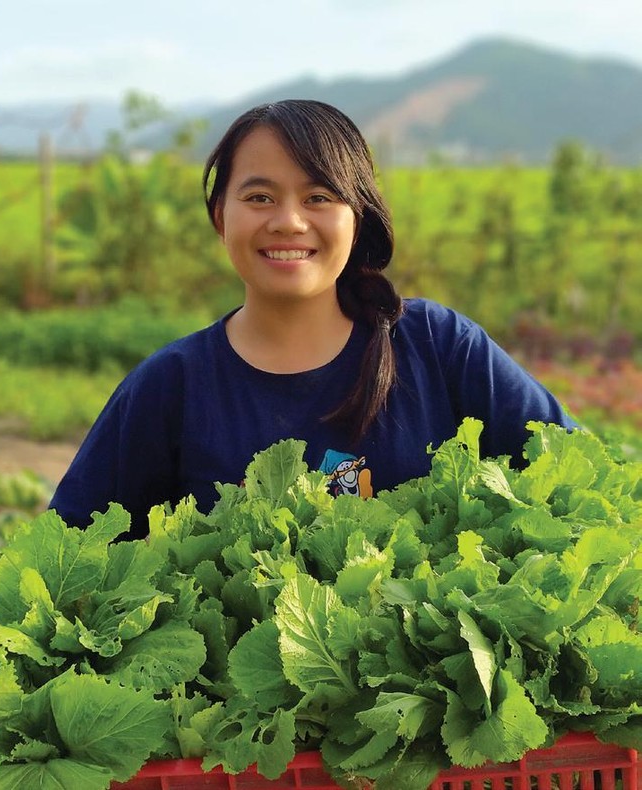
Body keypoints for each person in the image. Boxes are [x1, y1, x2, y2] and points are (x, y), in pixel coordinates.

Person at [48, 99, 576, 540]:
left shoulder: (438, 347)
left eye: (319, 197)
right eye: (259, 197)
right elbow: (68, 552)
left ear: (358, 216)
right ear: (219, 216)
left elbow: (577, 478)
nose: (289, 221)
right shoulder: (169, 386)